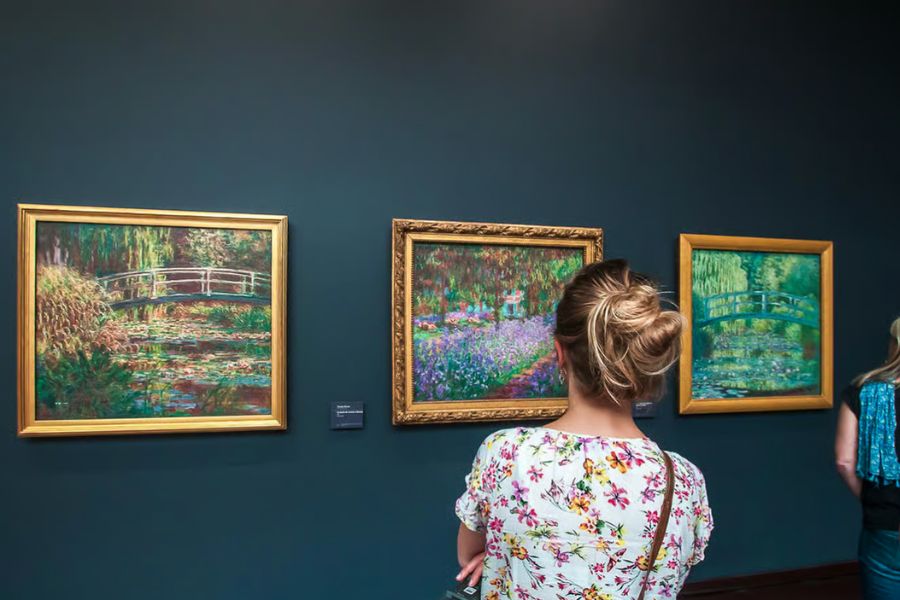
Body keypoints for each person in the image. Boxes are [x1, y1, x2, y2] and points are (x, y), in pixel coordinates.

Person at [453, 260, 713, 600]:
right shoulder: (683, 479)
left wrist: (503, 556)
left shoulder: (505, 454)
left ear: (560, 353)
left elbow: (469, 556)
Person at [835, 317, 900, 599]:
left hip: (885, 522)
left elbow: (844, 462)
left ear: (893, 345)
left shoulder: (863, 390)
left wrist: (873, 498)